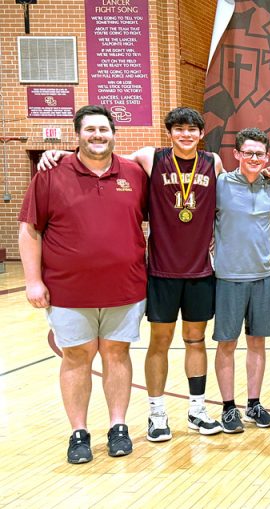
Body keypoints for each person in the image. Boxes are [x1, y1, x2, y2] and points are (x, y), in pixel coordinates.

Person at [35, 107, 227, 441]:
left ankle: (197, 411)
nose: (186, 135)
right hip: (161, 271)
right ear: (169, 132)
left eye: (192, 129)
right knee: (160, 342)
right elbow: (101, 156)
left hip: (200, 270)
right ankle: (157, 414)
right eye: (179, 129)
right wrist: (62, 154)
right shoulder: (150, 157)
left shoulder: (214, 162)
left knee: (196, 340)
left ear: (201, 134)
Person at [19, 105, 148, 463]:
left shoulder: (134, 174)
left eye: (103, 129)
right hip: (68, 291)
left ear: (114, 134)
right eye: (90, 129)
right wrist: (32, 281)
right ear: (77, 134)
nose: (97, 136)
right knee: (76, 356)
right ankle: (79, 432)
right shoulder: (50, 174)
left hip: (125, 287)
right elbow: (30, 231)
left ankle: (118, 426)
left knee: (117, 354)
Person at [213, 127, 270, 432]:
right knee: (227, 344)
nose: (254, 158)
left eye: (259, 154)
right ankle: (228, 408)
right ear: (237, 154)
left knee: (257, 343)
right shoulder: (221, 183)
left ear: (267, 157)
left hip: (262, 275)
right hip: (229, 276)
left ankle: (254, 404)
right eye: (248, 152)